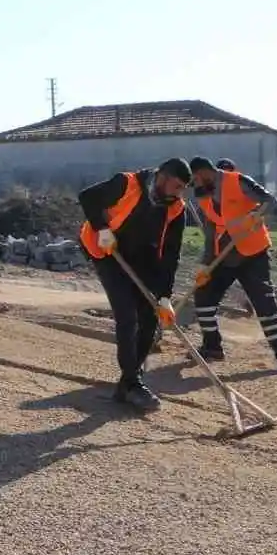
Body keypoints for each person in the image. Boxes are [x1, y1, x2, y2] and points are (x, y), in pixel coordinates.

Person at [79, 159, 191, 410]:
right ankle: (132, 382)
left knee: (150, 317)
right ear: (162, 177)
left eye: (183, 188)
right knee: (127, 314)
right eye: (176, 186)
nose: (178, 193)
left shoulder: (176, 209)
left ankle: (129, 381)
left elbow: (172, 253)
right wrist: (102, 229)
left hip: (143, 257)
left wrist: (164, 296)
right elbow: (88, 197)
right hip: (108, 251)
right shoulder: (126, 183)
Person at [187, 156, 277, 372]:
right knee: (203, 296)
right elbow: (210, 232)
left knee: (264, 303)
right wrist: (205, 265)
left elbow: (270, 200)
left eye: (195, 180)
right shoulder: (202, 195)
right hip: (224, 256)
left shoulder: (238, 181)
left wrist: (255, 214)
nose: (195, 186)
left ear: (203, 174)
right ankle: (212, 347)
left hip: (252, 254)